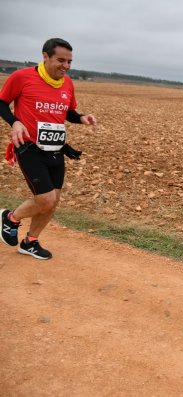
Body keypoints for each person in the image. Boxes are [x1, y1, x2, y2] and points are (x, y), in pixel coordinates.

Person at [1, 38, 97, 259]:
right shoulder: (22, 77)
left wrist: (82, 117)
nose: (66, 66)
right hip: (29, 147)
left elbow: (68, 112)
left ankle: (30, 241)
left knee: (53, 202)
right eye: (61, 60)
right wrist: (15, 122)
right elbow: (1, 102)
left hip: (55, 148)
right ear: (45, 56)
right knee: (46, 200)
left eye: (70, 61)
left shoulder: (67, 83)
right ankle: (10, 218)